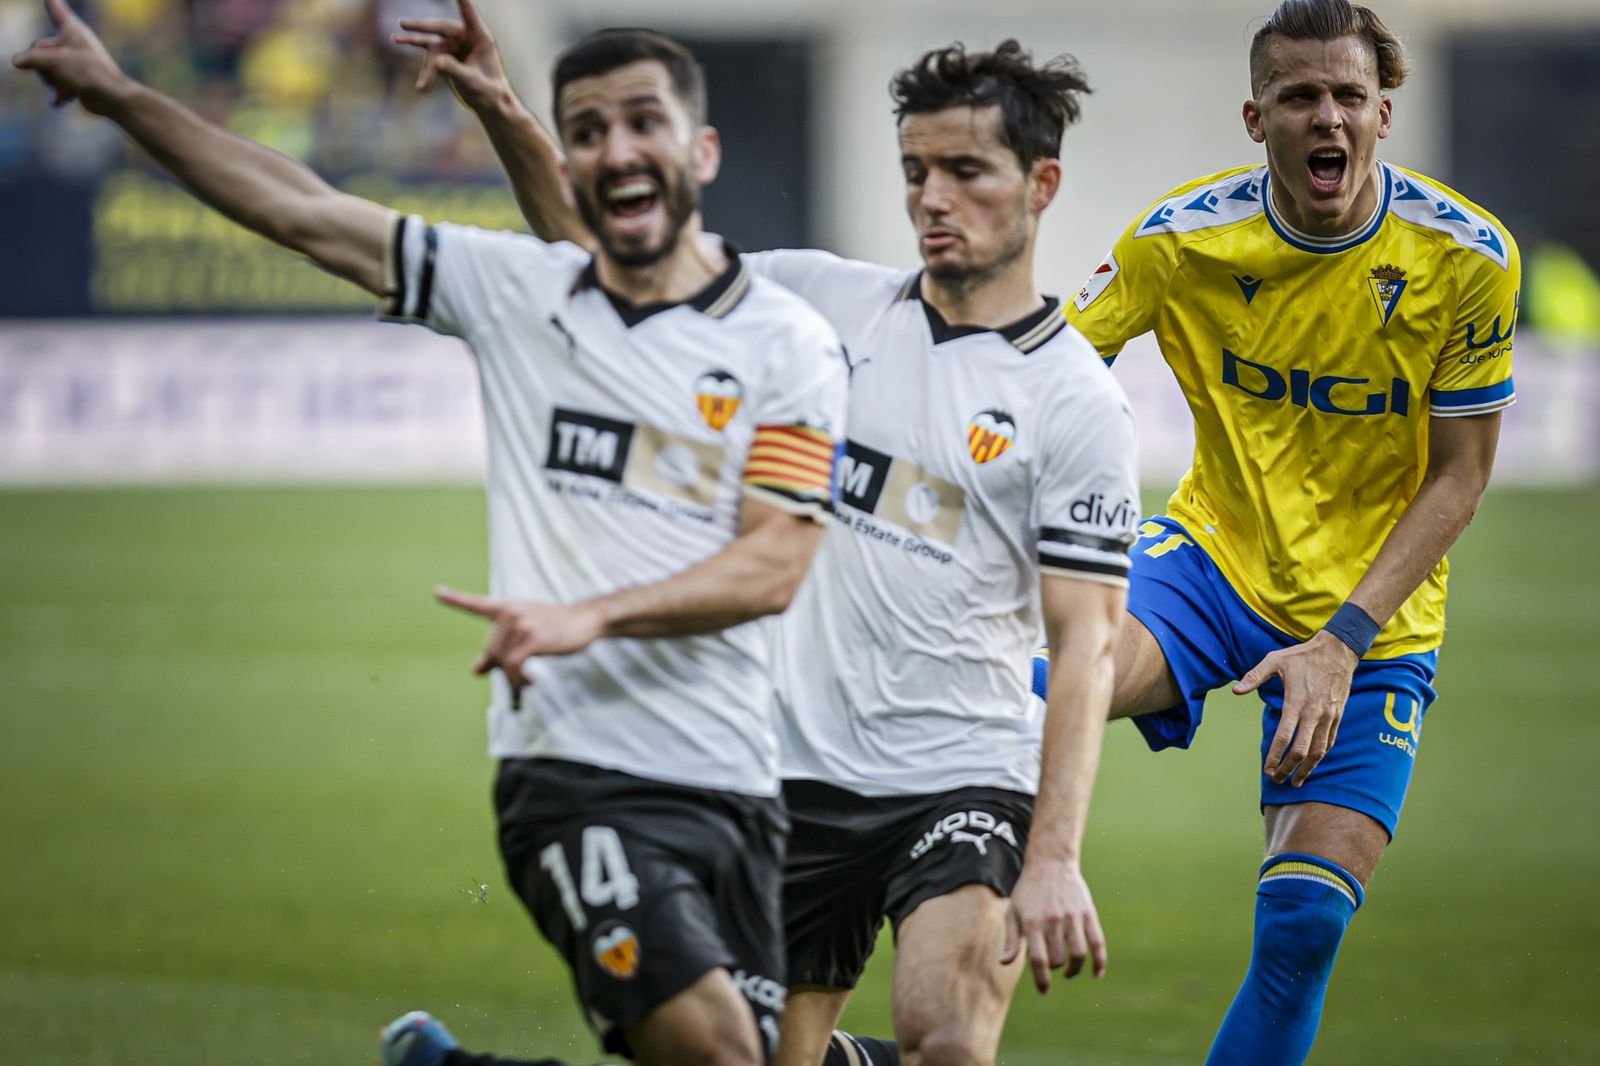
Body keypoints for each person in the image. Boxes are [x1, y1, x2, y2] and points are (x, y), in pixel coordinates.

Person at [12, 6, 850, 1066]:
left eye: (644, 121)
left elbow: (776, 561)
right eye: (587, 130)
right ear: (572, 156)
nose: (618, 148)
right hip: (575, 770)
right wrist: (122, 94)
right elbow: (296, 207)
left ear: (702, 149)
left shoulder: (788, 345)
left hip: (736, 780)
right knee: (724, 1056)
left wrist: (591, 612)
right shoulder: (514, 294)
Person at [393, 8, 1140, 1065]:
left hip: (963, 774)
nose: (931, 197)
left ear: (1041, 184)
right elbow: (601, 248)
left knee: (948, 1045)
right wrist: (505, 111)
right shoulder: (811, 305)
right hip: (790, 772)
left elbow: (1087, 644)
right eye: (915, 170)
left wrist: (1054, 854)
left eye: (965, 170)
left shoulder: (1075, 402)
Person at [1061, 1, 1519, 1061]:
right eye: (1300, 97)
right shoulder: (1178, 238)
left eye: (1347, 97)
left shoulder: (1465, 257)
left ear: (1382, 114)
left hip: (1374, 613)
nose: (1328, 118)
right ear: (1254, 116)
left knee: (1306, 921)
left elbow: (1460, 477)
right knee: (1036, 681)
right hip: (1210, 559)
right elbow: (1044, 375)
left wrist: (1339, 641)